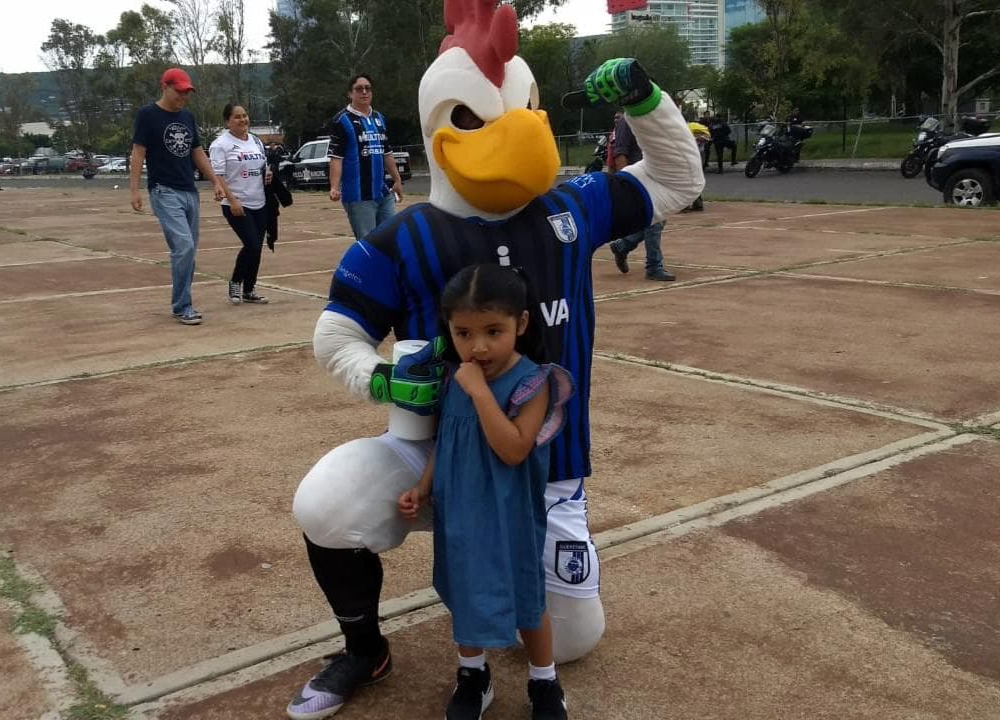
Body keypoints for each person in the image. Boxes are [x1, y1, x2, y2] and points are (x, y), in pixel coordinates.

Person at [286, 6, 703, 716]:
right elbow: (336, 334)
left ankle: (518, 601)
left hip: (548, 468)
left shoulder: (574, 209)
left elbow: (677, 179)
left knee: (568, 639)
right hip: (438, 462)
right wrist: (379, 377)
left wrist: (646, 97)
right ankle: (365, 649)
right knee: (324, 504)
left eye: (525, 110)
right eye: (478, 119)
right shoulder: (404, 236)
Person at [397, 264, 574, 720]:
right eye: (463, 333)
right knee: (466, 587)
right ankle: (473, 674)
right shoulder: (459, 378)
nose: (477, 346)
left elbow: (514, 449)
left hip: (509, 511)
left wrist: (479, 393)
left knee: (527, 595)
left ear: (522, 324)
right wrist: (422, 485)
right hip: (461, 508)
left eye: (494, 331)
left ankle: (544, 680)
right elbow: (447, 440)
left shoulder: (533, 381)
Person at [129, 67, 224, 326]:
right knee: (184, 246)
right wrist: (135, 189)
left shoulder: (187, 117)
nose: (183, 96)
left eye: (186, 92)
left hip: (189, 190)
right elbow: (138, 153)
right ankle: (183, 305)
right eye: (179, 91)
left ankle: (183, 301)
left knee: (189, 251)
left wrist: (215, 181)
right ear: (165, 87)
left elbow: (197, 152)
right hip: (163, 190)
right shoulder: (148, 115)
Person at [209, 103, 272, 306]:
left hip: (259, 201)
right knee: (251, 244)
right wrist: (232, 199)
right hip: (236, 203)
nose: (243, 120)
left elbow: (263, 165)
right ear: (228, 121)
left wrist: (268, 174)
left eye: (245, 115)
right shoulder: (221, 144)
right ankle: (236, 281)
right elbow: (218, 175)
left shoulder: (255, 140)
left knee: (257, 248)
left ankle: (249, 289)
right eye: (237, 117)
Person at [328, 74, 404, 240]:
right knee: (369, 244)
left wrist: (397, 180)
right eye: (359, 89)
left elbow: (387, 153)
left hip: (383, 193)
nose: (364, 92)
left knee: (393, 239)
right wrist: (334, 187)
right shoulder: (342, 120)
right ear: (350, 93)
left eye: (368, 88)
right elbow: (336, 158)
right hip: (359, 197)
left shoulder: (379, 118)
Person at [608, 112, 677, 281]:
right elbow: (620, 153)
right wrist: (626, 182)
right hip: (638, 178)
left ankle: (622, 246)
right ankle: (653, 266)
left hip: (654, 176)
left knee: (656, 220)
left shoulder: (650, 118)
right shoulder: (626, 120)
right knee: (654, 221)